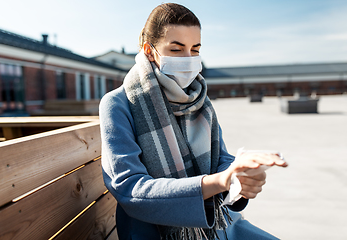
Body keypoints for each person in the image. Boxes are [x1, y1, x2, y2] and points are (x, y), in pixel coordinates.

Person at [99, 3, 287, 240]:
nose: (188, 59)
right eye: (176, 50)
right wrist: (218, 182)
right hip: (152, 232)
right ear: (149, 50)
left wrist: (239, 177)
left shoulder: (200, 99)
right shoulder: (118, 103)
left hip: (217, 224)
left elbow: (221, 159)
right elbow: (130, 188)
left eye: (195, 49)